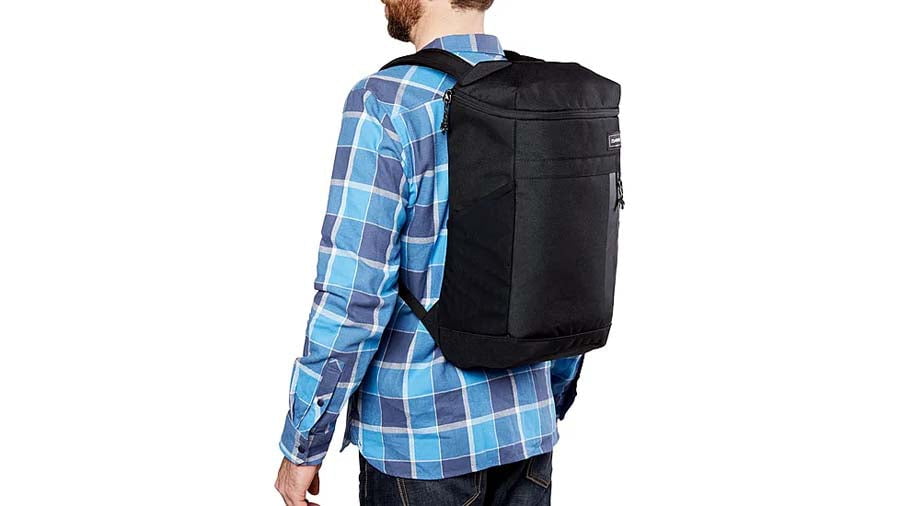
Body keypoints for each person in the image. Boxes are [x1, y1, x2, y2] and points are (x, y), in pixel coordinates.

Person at [275, 1, 584, 504]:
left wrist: (304, 442)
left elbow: (353, 298)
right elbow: (570, 273)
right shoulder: (544, 98)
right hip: (527, 435)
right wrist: (548, 398)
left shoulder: (386, 102)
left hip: (421, 447)